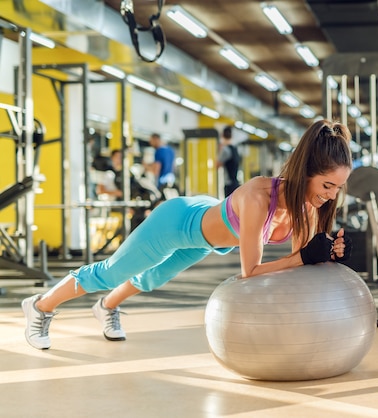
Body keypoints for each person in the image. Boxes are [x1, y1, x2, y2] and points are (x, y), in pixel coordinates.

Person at [22, 119, 354, 350]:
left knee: (151, 279)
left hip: (207, 240)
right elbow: (249, 273)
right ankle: (40, 307)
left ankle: (106, 307)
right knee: (110, 273)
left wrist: (327, 255)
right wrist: (305, 255)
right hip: (177, 223)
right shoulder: (258, 196)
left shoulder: (308, 207)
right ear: (304, 173)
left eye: (338, 188)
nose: (331, 195)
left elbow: (300, 267)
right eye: (327, 185)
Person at [216, 126, 241, 196]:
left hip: (229, 184)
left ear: (222, 135)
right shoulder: (235, 148)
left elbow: (217, 165)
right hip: (236, 183)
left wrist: (220, 149)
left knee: (227, 206)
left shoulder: (225, 150)